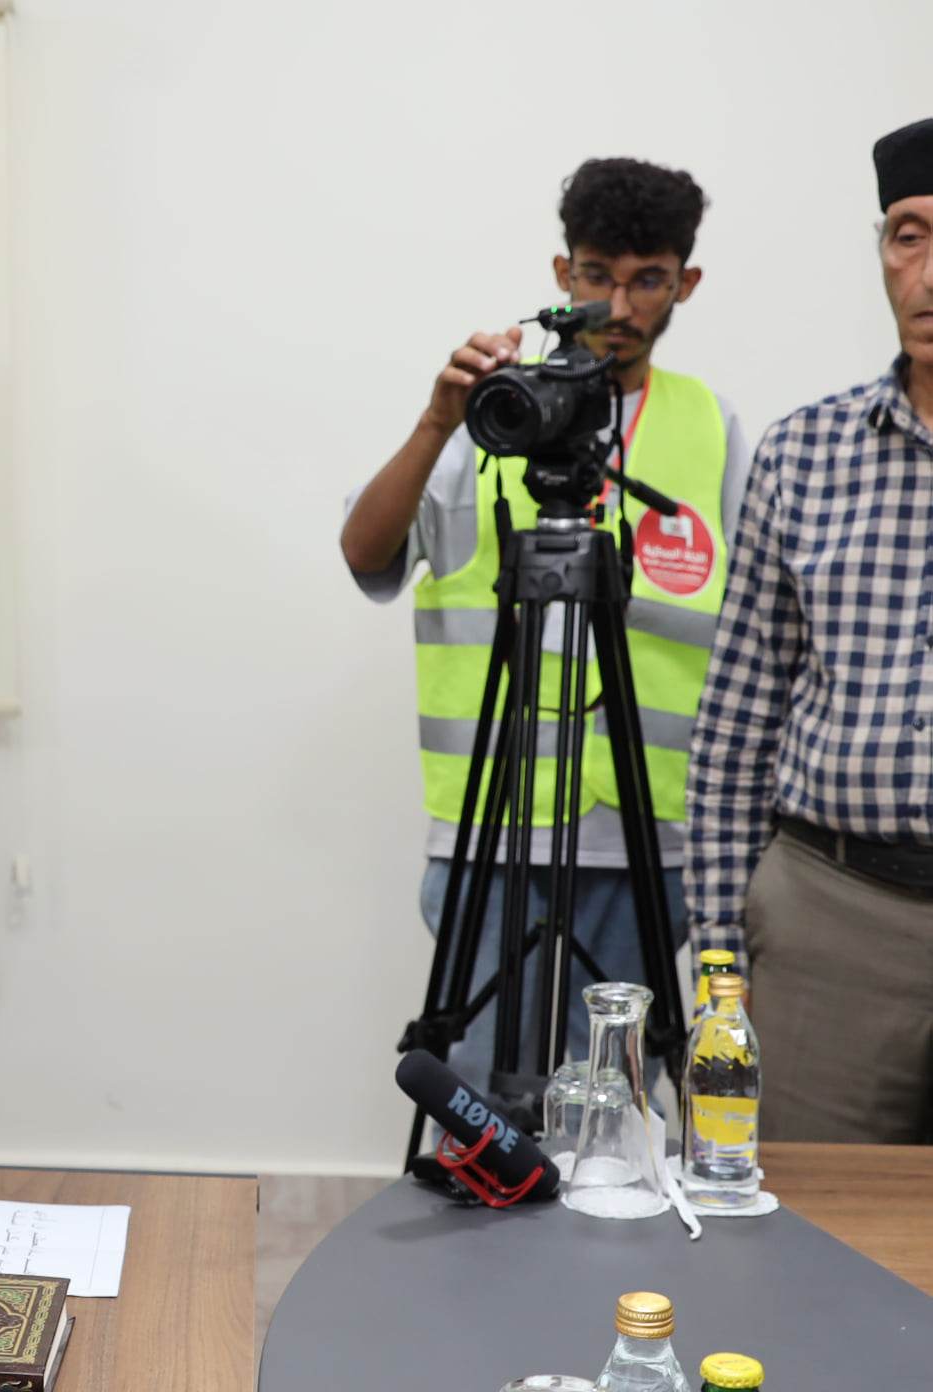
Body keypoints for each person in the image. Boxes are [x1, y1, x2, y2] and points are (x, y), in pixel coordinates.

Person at [340, 158, 748, 1090]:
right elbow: (366, 552)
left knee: (619, 1106)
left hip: (649, 836)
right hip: (494, 835)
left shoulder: (712, 426)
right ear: (563, 273)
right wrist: (438, 422)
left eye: (648, 279)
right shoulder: (495, 412)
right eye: (598, 274)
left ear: (685, 283)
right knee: (481, 1106)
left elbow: (756, 632)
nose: (620, 305)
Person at [686, 117, 933, 1144]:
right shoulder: (804, 456)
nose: (929, 274)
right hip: (834, 919)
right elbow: (735, 727)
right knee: (805, 1221)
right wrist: (716, 955)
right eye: (909, 236)